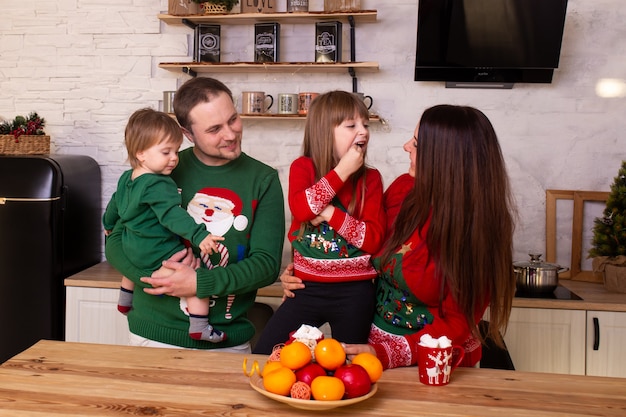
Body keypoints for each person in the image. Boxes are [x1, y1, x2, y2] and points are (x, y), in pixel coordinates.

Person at [281, 104, 517, 369]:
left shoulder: (479, 229)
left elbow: (458, 324)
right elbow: (365, 244)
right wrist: (305, 270)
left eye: (416, 144)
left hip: (433, 365)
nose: (406, 147)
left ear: (444, 159)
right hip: (369, 355)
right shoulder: (403, 190)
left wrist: (385, 353)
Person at [104, 77, 285, 353]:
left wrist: (198, 283)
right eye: (214, 129)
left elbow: (266, 266)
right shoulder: (163, 168)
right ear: (188, 134)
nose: (230, 134)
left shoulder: (264, 179)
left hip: (226, 345)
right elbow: (116, 241)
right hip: (150, 337)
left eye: (233, 119)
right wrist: (156, 278)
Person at [252, 91, 386, 354]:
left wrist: (328, 214)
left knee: (350, 365)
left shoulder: (371, 179)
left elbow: (371, 240)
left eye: (365, 125)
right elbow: (302, 209)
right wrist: (342, 171)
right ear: (325, 131)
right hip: (305, 289)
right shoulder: (302, 168)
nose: (363, 131)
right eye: (351, 125)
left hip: (355, 293)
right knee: (269, 353)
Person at [103, 108, 227, 343]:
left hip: (132, 248)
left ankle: (125, 300)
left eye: (176, 151)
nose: (174, 158)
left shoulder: (126, 179)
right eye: (166, 152)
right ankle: (200, 325)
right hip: (157, 251)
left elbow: (114, 205)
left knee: (132, 264)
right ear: (141, 154)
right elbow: (172, 215)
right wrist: (200, 235)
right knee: (196, 277)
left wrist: (107, 224)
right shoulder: (159, 184)